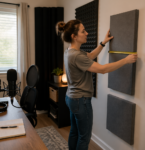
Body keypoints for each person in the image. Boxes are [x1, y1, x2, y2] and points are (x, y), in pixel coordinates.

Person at [56, 19, 137, 150]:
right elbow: (103, 69)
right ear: (74, 36)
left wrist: (102, 43)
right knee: (84, 137)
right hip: (80, 101)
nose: (87, 33)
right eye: (83, 31)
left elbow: (92, 55)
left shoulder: (69, 51)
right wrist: (125, 60)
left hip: (71, 98)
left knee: (75, 132)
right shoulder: (76, 56)